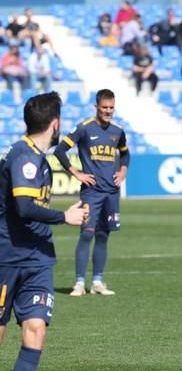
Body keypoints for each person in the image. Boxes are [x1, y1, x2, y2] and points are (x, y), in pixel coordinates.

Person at [0, 92, 88, 371]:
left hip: (37, 258)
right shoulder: (22, 155)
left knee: (35, 329)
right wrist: (64, 217)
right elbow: (23, 207)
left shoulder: (39, 156)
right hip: (8, 257)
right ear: (55, 123)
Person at [53, 89, 130, 297]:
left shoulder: (118, 131)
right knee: (86, 234)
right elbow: (59, 151)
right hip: (92, 192)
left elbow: (125, 154)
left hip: (111, 193)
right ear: (96, 107)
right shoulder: (84, 128)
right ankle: (79, 283)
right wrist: (76, 173)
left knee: (103, 236)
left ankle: (97, 282)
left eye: (111, 107)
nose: (108, 111)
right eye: (104, 107)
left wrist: (122, 172)